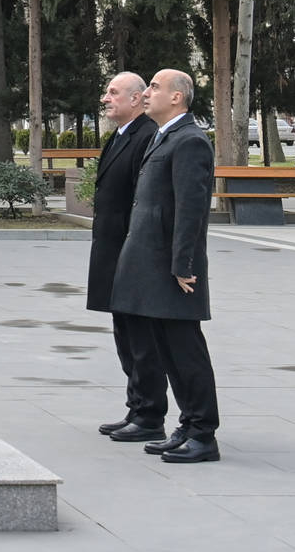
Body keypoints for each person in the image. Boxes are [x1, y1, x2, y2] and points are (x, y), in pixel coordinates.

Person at [109, 68, 220, 464]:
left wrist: (183, 264)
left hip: (174, 269)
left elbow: (192, 211)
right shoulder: (165, 135)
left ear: (177, 97)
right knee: (168, 351)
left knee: (185, 351)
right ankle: (188, 426)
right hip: (153, 265)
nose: (148, 93)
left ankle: (203, 433)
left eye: (155, 87)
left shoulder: (190, 141)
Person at [88, 72, 167, 443]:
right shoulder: (122, 135)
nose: (106, 98)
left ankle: (150, 414)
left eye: (114, 92)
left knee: (141, 338)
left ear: (136, 99)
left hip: (130, 252)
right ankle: (136, 407)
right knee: (124, 334)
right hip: (112, 250)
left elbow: (143, 200)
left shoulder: (146, 136)